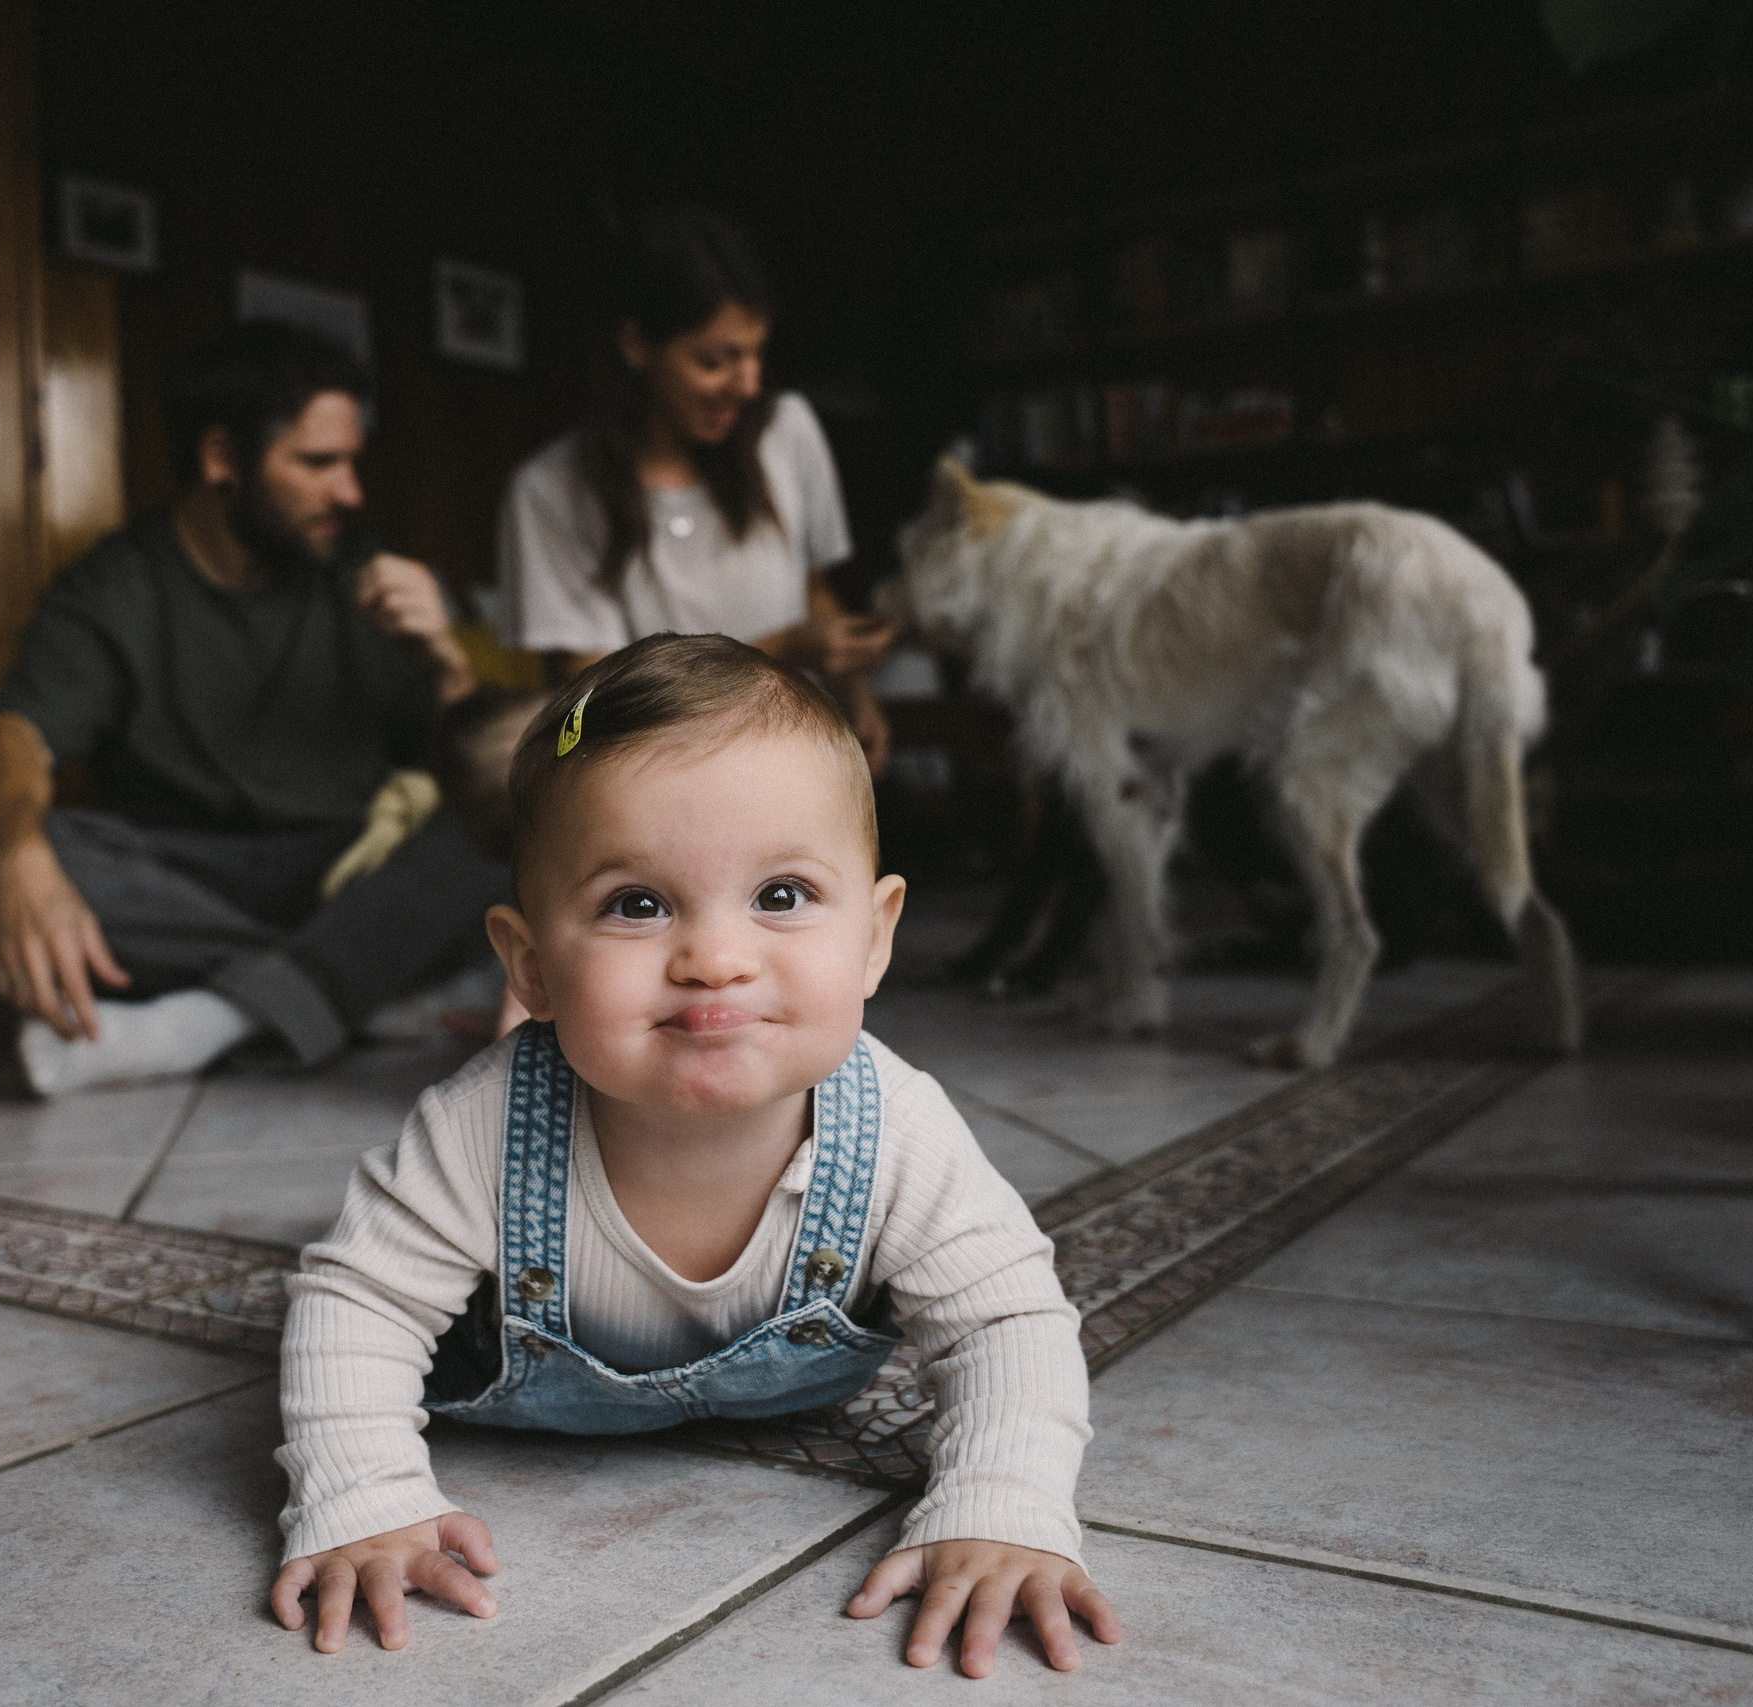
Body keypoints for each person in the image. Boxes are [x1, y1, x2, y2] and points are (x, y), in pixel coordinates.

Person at [269, 635, 1120, 1679]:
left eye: (781, 895)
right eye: (638, 904)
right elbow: (357, 1301)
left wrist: (1003, 1500)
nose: (715, 958)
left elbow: (1008, 1319)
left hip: (788, 1384)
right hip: (518, 1386)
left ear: (874, 936)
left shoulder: (897, 1127)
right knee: (383, 1258)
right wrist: (361, 1495)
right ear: (530, 965)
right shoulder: (481, 1124)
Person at [0, 322, 508, 1096]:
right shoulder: (113, 588)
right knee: (51, 850)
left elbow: (473, 782)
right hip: (190, 877)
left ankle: (206, 1021)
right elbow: (14, 737)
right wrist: (15, 857)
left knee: (516, 805)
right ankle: (364, 986)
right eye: (318, 463)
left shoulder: (370, 577)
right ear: (223, 458)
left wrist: (447, 662)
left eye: (352, 462)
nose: (351, 492)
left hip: (349, 862)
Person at [495, 205, 899, 773]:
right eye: (716, 361)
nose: (750, 385)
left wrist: (851, 685)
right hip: (661, 784)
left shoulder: (788, 430)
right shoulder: (550, 493)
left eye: (757, 352)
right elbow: (593, 702)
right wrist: (785, 647)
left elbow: (813, 590)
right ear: (636, 343)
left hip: (798, 757)